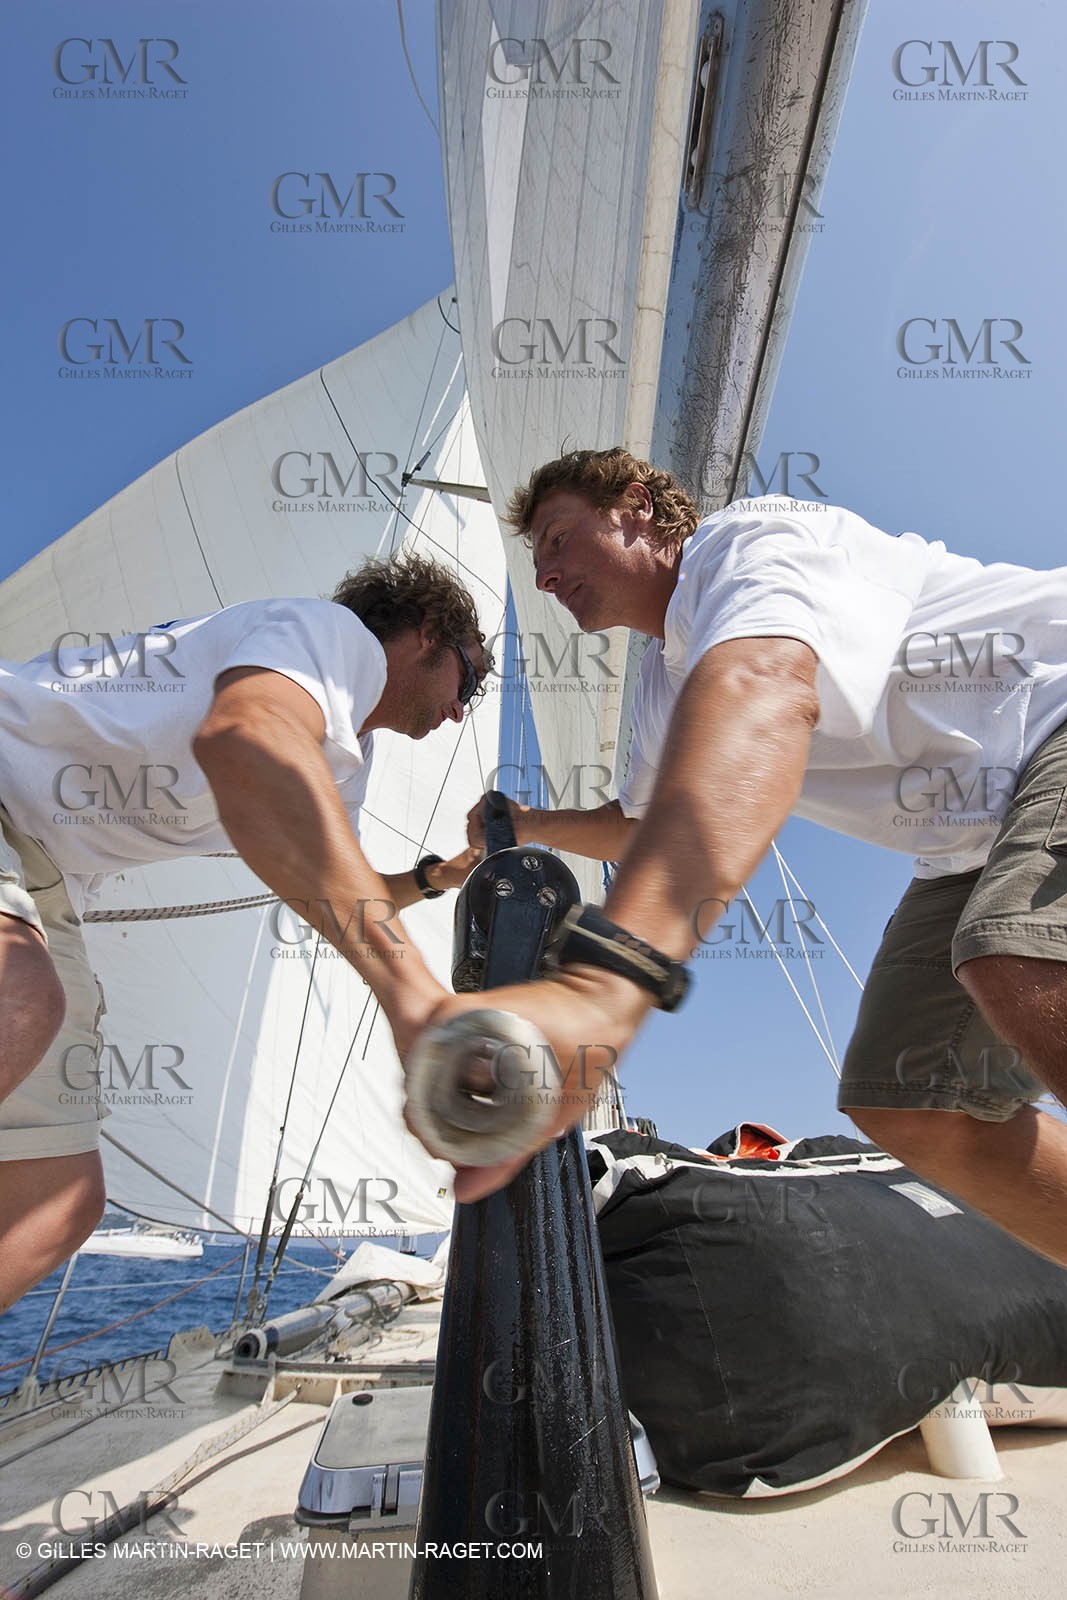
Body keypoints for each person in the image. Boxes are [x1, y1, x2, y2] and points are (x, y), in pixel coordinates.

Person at [450, 446, 1067, 1266]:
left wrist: (605, 985)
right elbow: (639, 826)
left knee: (1017, 962)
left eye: (558, 540)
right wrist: (532, 824)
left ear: (635, 505)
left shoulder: (747, 544)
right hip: (968, 848)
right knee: (911, 1097)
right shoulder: (663, 686)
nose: (545, 578)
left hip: (1051, 720)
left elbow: (764, 687)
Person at [0, 551, 490, 1310]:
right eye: (471, 674)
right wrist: (415, 1002)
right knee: (18, 998)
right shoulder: (328, 632)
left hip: (43, 872)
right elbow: (242, 737)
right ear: (426, 632)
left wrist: (436, 877)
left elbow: (339, 890)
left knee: (54, 1199)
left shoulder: (338, 763)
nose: (464, 707)